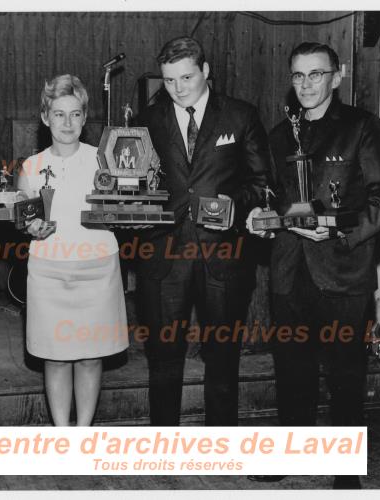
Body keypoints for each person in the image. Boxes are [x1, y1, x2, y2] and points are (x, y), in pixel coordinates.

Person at [246, 42, 380, 489]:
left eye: (316, 74)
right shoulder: (278, 134)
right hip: (289, 268)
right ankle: (292, 451)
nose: (306, 84)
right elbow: (268, 193)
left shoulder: (363, 127)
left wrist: (338, 230)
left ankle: (347, 467)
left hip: (344, 270)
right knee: (292, 368)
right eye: (299, 76)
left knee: (346, 372)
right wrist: (260, 218)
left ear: (337, 76)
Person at [136, 36, 270, 426]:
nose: (177, 88)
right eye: (169, 80)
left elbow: (263, 184)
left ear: (206, 71)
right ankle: (164, 444)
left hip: (224, 256)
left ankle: (220, 441)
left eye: (186, 77)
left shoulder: (241, 116)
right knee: (162, 356)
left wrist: (233, 208)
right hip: (162, 255)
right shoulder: (147, 119)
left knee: (223, 355)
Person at [16, 74, 129, 426]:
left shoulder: (105, 160)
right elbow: (24, 216)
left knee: (91, 357)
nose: (68, 123)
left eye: (76, 114)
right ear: (45, 117)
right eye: (59, 114)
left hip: (97, 271)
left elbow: (125, 210)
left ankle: (83, 433)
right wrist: (29, 227)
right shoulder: (31, 167)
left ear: (84, 117)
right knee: (56, 356)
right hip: (49, 273)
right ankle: (63, 434)